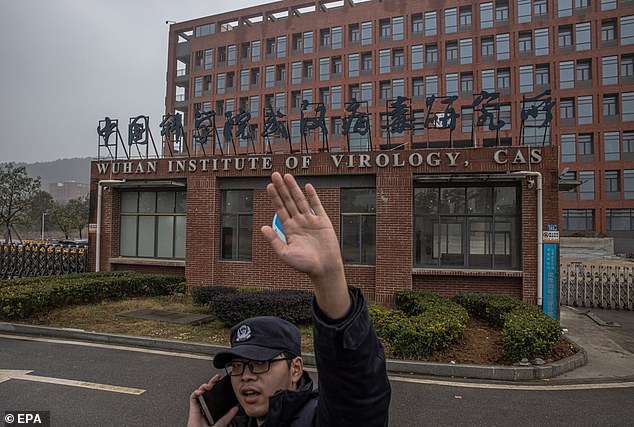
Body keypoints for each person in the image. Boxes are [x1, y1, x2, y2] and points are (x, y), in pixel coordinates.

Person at [188, 172, 391, 427]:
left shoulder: (317, 419)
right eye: (238, 366)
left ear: (295, 369)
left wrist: (328, 278)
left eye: (259, 364)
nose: (245, 377)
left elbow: (357, 395)